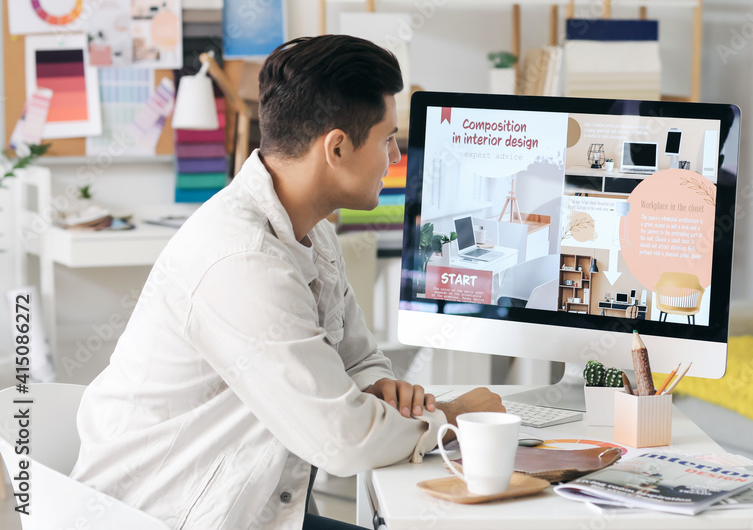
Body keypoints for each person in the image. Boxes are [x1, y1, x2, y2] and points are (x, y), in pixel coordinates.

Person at [71, 35, 504, 529]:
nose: (394, 157)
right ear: (337, 147)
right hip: (171, 517)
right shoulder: (243, 260)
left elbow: (359, 358)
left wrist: (381, 387)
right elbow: (342, 441)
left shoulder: (310, 231)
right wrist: (451, 419)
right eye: (387, 139)